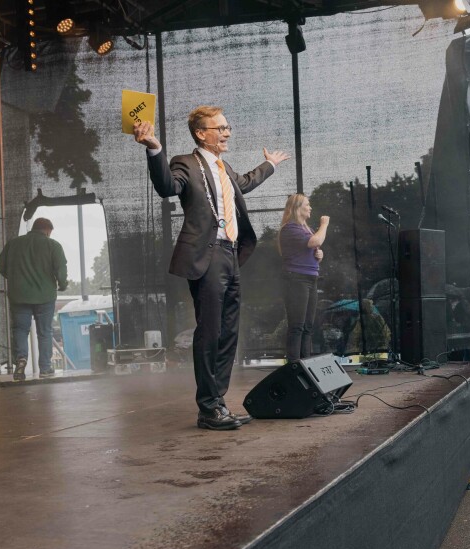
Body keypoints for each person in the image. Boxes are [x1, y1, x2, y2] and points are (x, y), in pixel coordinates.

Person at [133, 108, 289, 430]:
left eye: (228, 126)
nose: (227, 132)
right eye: (220, 127)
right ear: (201, 133)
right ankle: (207, 407)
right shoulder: (185, 163)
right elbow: (166, 187)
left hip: (231, 254)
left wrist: (270, 164)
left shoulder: (225, 168)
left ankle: (217, 402)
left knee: (229, 332)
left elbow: (244, 183)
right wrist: (154, 148)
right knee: (210, 331)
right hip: (208, 254)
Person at [0, 217, 68, 381]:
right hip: (44, 296)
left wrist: (13, 277)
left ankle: (21, 360)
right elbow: (61, 271)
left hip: (19, 295)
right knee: (44, 332)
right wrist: (62, 285)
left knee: (20, 330)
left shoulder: (14, 244)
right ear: (48, 231)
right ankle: (45, 368)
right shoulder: (53, 245)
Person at [279, 194, 327, 361]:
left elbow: (313, 247)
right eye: (307, 204)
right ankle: (294, 365)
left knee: (308, 326)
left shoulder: (305, 229)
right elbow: (315, 241)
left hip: (310, 279)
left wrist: (318, 255)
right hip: (296, 279)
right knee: (297, 326)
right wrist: (324, 224)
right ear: (297, 208)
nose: (310, 207)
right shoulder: (290, 228)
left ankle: (306, 364)